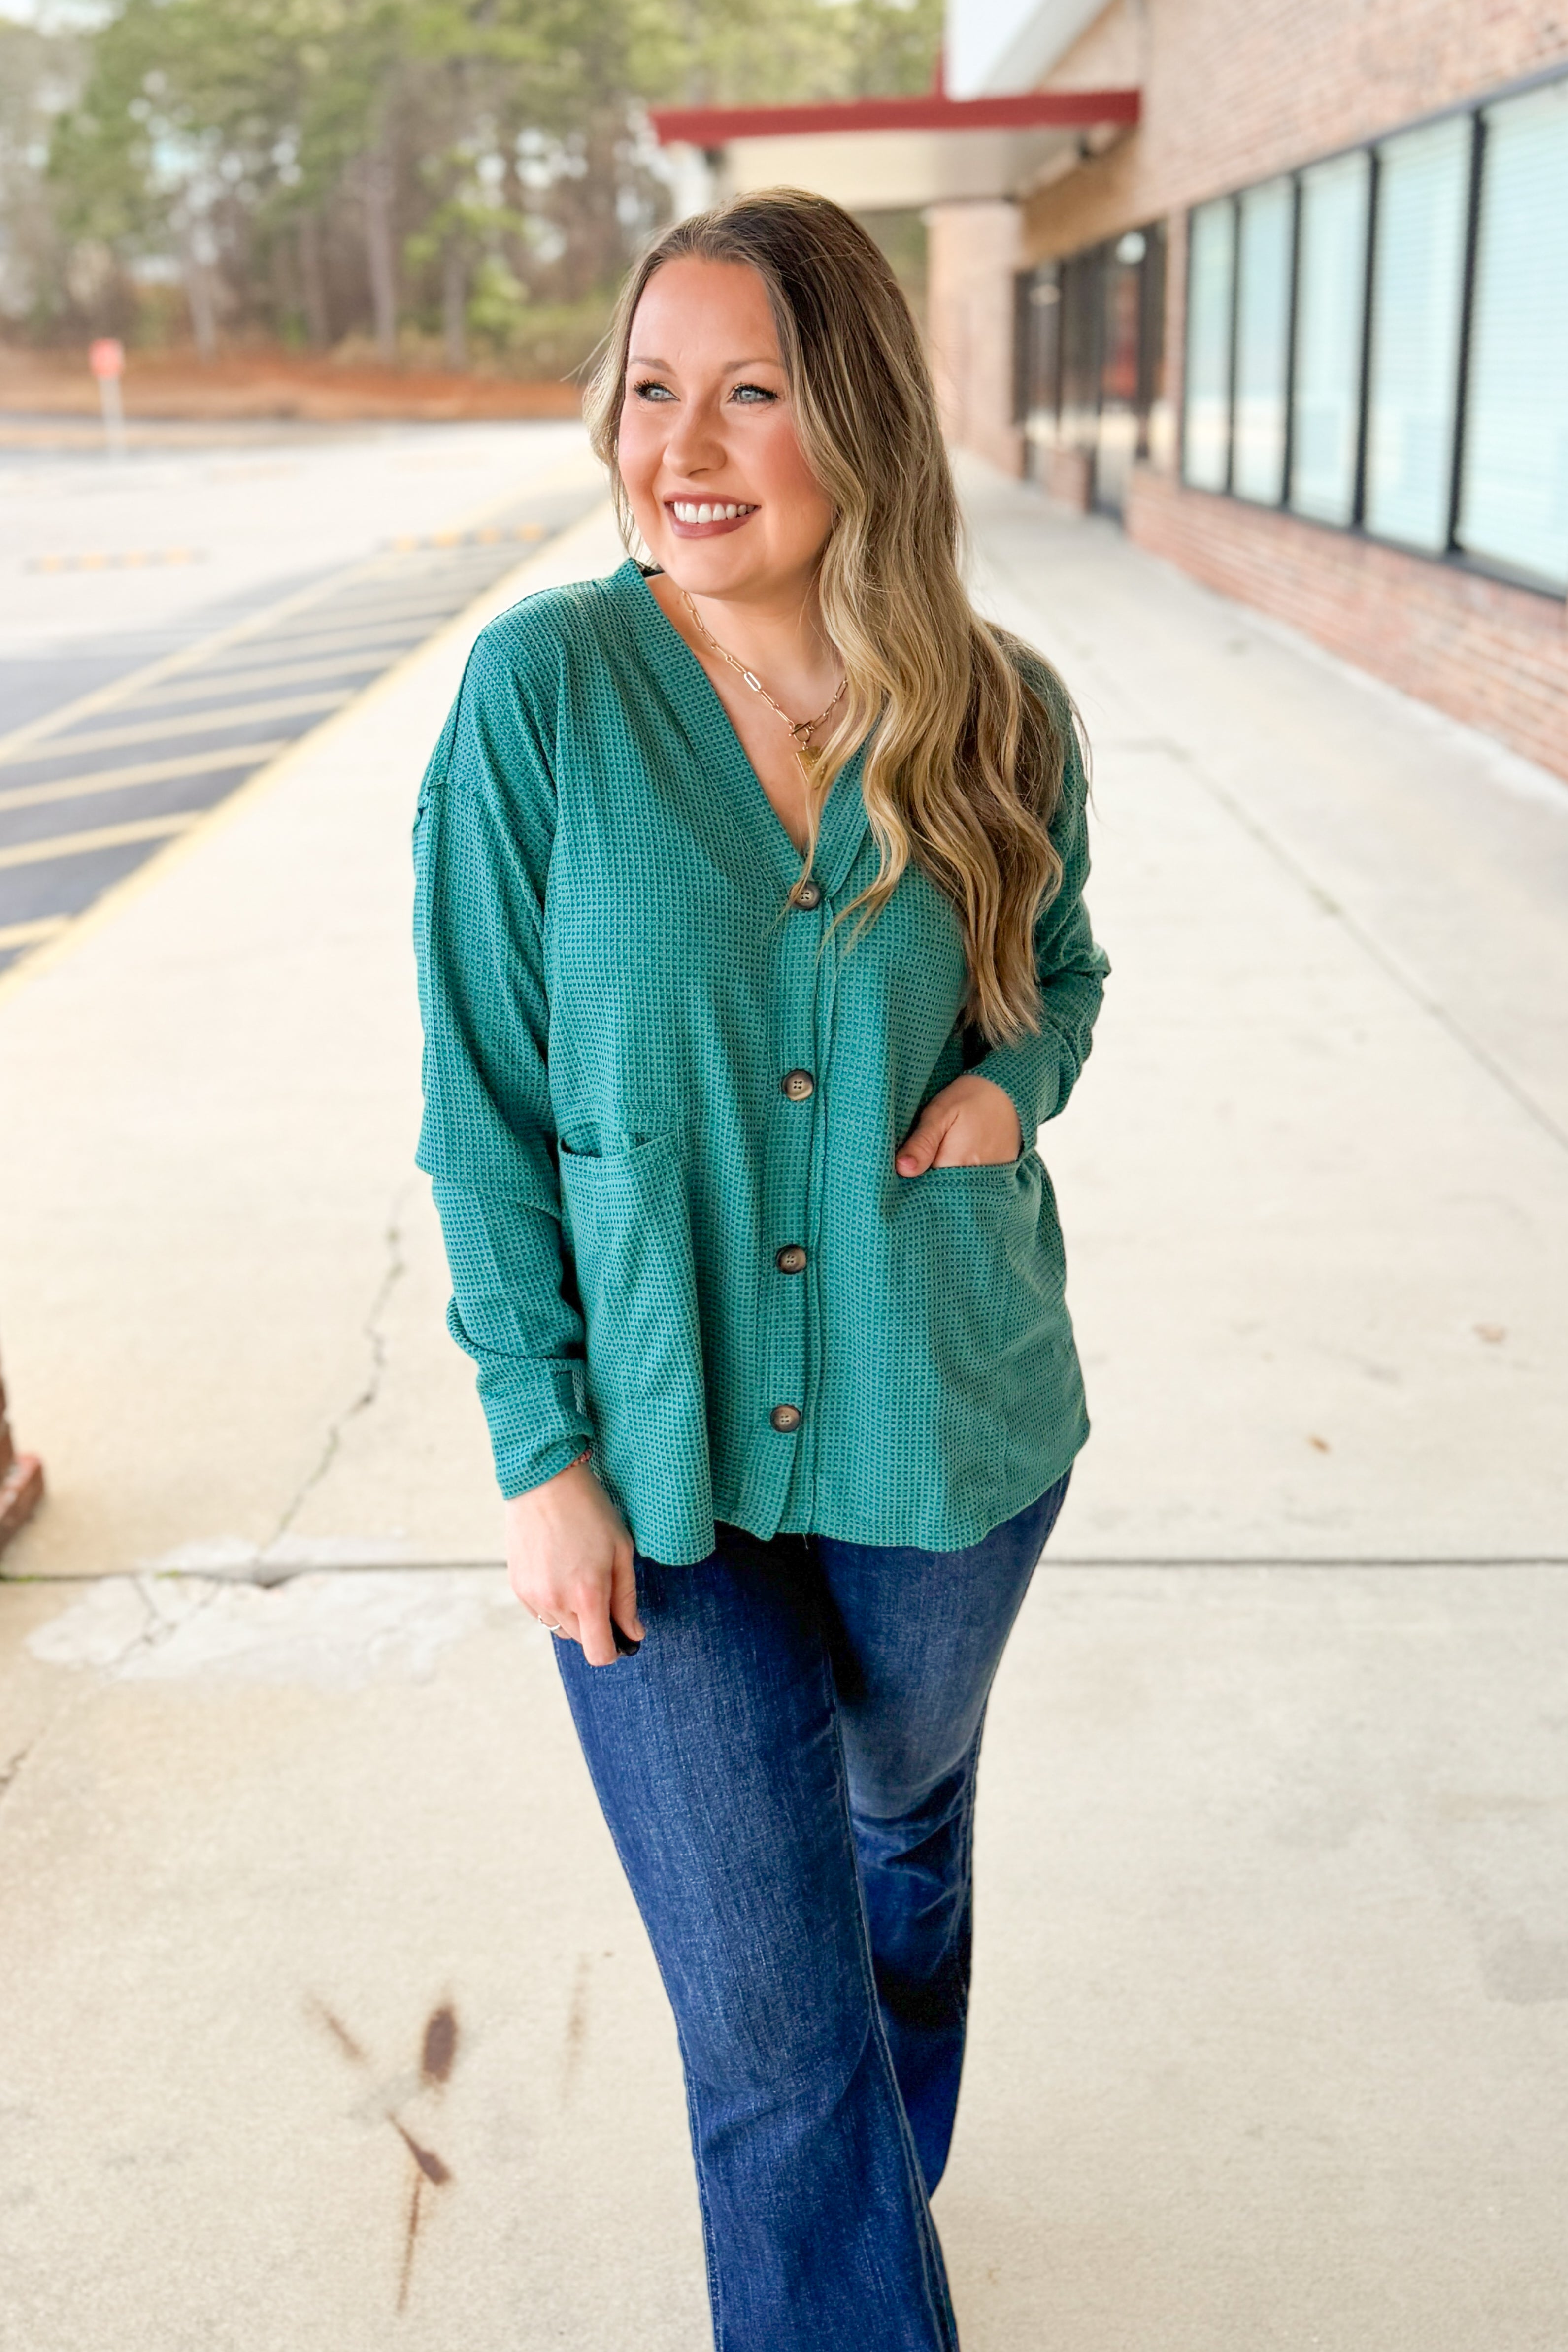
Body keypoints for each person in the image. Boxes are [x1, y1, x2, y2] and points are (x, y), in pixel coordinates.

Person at [412, 188, 1108, 2352]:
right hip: (659, 1467)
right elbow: (481, 1107)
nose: (681, 447)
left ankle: (888, 2194)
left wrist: (1010, 1090)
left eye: (750, 392)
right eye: (650, 389)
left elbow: (1063, 976)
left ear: (860, 420)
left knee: (901, 1830)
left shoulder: (999, 710)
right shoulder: (543, 695)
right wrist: (540, 1449)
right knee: (776, 2045)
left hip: (945, 1431)